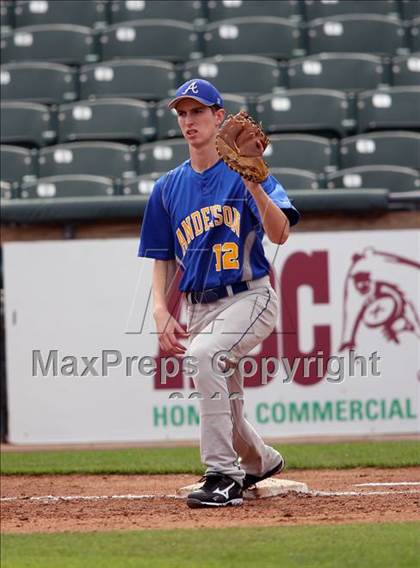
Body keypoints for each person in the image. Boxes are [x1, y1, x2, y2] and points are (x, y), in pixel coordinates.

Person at [138, 79, 300, 508]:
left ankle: (223, 476)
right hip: (198, 306)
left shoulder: (247, 172)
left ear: (219, 116)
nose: (189, 121)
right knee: (223, 394)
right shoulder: (167, 188)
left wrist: (253, 184)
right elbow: (162, 256)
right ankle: (260, 460)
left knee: (205, 356)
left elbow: (280, 233)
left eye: (198, 111)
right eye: (182, 113)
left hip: (251, 296)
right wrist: (160, 308)